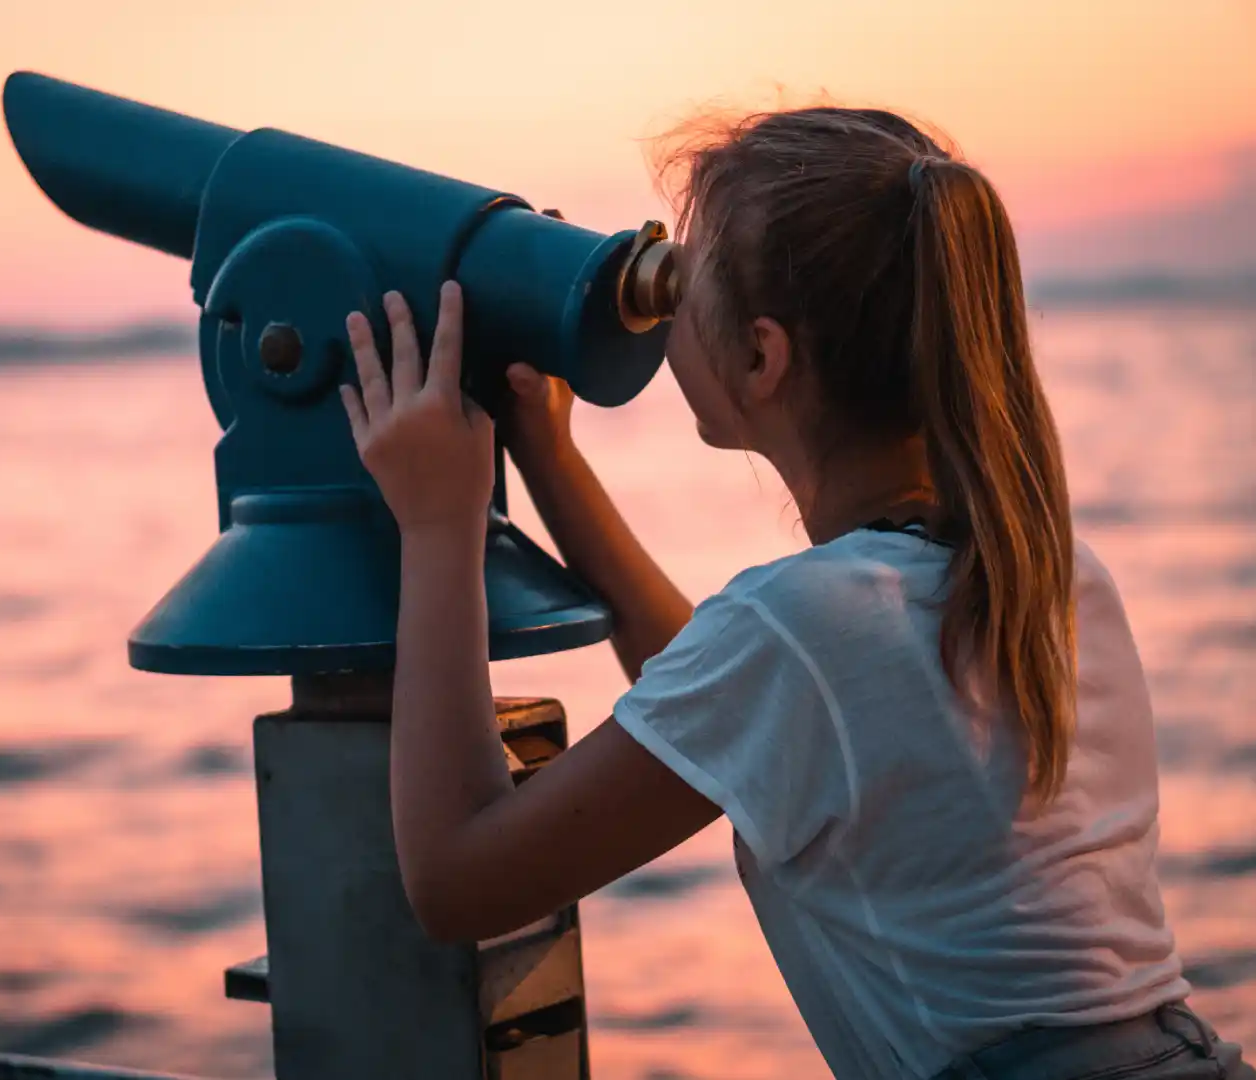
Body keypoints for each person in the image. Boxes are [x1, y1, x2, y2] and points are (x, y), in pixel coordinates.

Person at [336, 106, 1251, 1080]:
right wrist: (548, 462)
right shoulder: (1040, 570)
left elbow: (457, 885)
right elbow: (753, 712)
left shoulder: (803, 631)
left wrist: (438, 525)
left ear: (761, 357)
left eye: (679, 283)